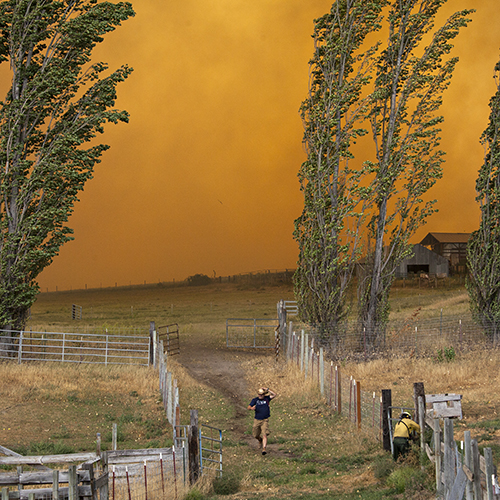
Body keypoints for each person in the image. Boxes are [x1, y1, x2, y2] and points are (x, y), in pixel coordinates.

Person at [248, 386, 277, 455]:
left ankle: (264, 449)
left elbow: (274, 394)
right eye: (259, 394)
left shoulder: (267, 399)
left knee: (264, 434)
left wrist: (267, 389)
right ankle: (259, 440)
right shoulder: (255, 400)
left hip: (265, 420)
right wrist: (251, 408)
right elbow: (248, 407)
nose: (260, 396)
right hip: (257, 420)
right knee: (255, 435)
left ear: (264, 394)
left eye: (261, 394)